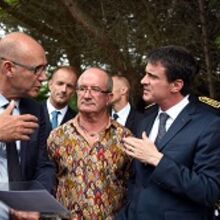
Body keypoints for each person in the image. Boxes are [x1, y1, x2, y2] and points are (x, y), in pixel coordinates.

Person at [117, 45, 220, 220]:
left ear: (176, 85)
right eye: (145, 73)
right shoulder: (145, 119)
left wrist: (157, 159)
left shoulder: (210, 124)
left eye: (152, 76)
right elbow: (137, 182)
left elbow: (209, 191)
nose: (143, 81)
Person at [47, 67, 132, 219]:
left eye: (95, 89)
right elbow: (48, 182)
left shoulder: (125, 138)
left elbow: (132, 187)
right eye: (82, 89)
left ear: (109, 97)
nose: (87, 95)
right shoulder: (57, 136)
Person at [0, 32, 56, 219]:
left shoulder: (36, 110)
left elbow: (45, 165)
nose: (43, 77)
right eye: (37, 70)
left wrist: (32, 203)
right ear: (9, 68)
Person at [41, 66, 77, 136]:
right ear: (50, 85)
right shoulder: (33, 112)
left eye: (69, 86)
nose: (64, 90)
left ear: (73, 91)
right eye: (60, 84)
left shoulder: (77, 120)